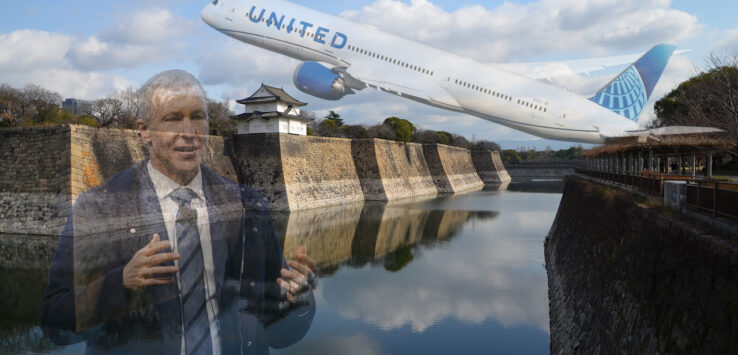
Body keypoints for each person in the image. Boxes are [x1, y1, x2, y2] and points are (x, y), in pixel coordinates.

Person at [40, 70, 316, 354]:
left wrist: (298, 299)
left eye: (197, 117)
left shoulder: (247, 208)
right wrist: (119, 284)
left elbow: (277, 335)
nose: (190, 132)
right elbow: (54, 324)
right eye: (173, 119)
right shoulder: (99, 208)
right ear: (144, 130)